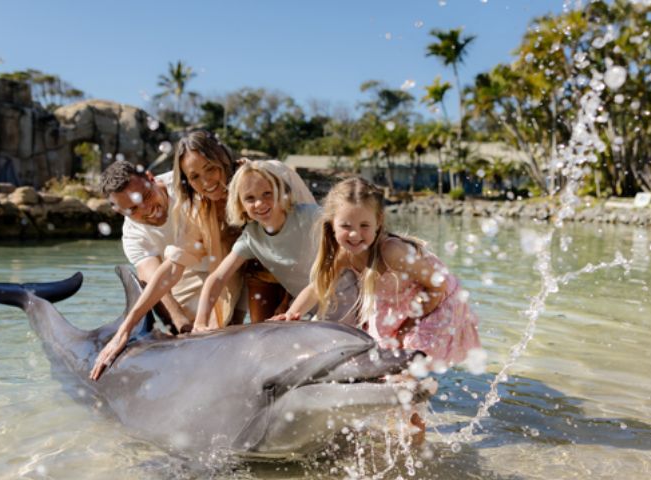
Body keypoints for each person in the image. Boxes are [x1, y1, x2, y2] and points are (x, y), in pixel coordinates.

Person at [90, 131, 313, 380]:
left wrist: (291, 307)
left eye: (211, 169)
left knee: (291, 332)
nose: (206, 182)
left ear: (222, 159)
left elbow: (318, 240)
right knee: (260, 348)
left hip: (309, 273)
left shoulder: (272, 176)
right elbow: (172, 270)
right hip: (245, 268)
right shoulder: (199, 207)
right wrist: (126, 329)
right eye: (195, 177)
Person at [283, 177, 481, 365]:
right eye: (345, 226)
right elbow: (318, 287)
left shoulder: (392, 251)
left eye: (364, 226)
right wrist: (292, 314)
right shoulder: (345, 255)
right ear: (332, 224)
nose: (354, 234)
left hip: (436, 303)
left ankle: (414, 390)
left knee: (408, 357)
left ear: (378, 221)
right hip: (397, 307)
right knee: (379, 359)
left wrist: (405, 329)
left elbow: (437, 286)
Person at [192, 162, 321, 331]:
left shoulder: (311, 217)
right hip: (316, 312)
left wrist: (291, 311)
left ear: (280, 193)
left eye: (267, 194)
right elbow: (217, 278)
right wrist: (200, 322)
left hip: (353, 301)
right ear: (240, 204)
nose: (259, 204)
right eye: (250, 198)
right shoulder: (251, 238)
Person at [99, 160, 201, 333]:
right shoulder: (133, 236)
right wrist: (184, 329)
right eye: (132, 209)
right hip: (183, 275)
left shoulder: (188, 185)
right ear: (118, 210)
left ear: (150, 178)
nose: (147, 210)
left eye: (146, 196)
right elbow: (155, 285)